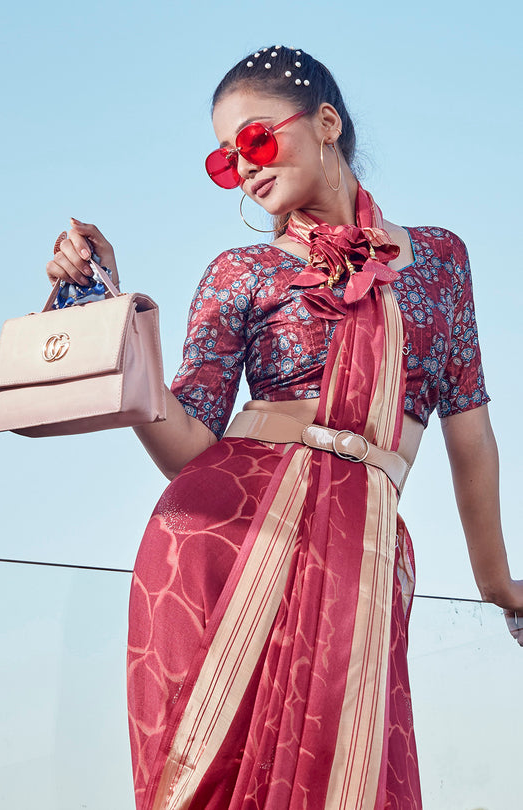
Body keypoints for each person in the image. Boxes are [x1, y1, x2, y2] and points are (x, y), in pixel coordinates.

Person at [46, 45, 523, 810]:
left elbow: (471, 432)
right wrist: (108, 307)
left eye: (259, 141)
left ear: (327, 122)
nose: (247, 169)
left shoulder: (439, 260)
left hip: (363, 552)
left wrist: (498, 584)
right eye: (227, 161)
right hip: (223, 547)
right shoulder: (240, 270)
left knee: (359, 777)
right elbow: (190, 443)